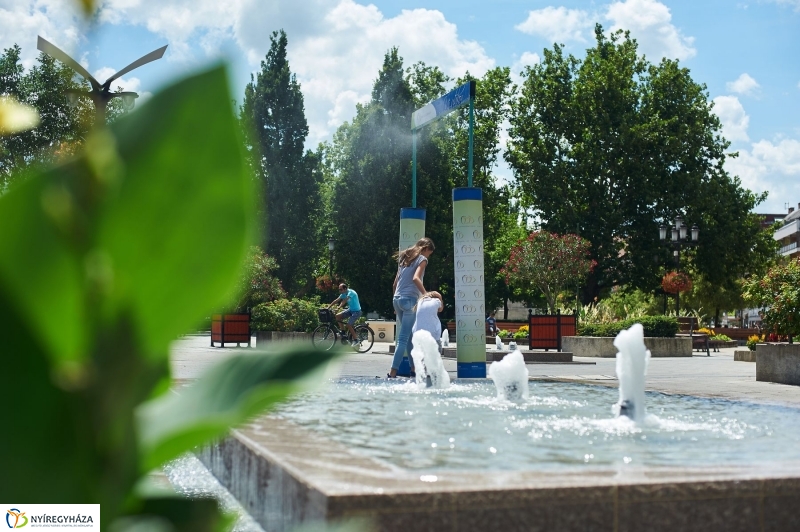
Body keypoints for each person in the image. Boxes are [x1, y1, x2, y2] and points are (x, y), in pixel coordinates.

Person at [389, 237, 435, 378]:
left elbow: (395, 284)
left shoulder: (405, 257)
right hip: (409, 300)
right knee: (403, 339)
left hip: (397, 299)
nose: (428, 256)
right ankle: (392, 372)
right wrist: (426, 294)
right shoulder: (422, 259)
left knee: (408, 337)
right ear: (426, 248)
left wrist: (396, 303)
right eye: (429, 253)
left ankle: (414, 369)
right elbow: (416, 278)